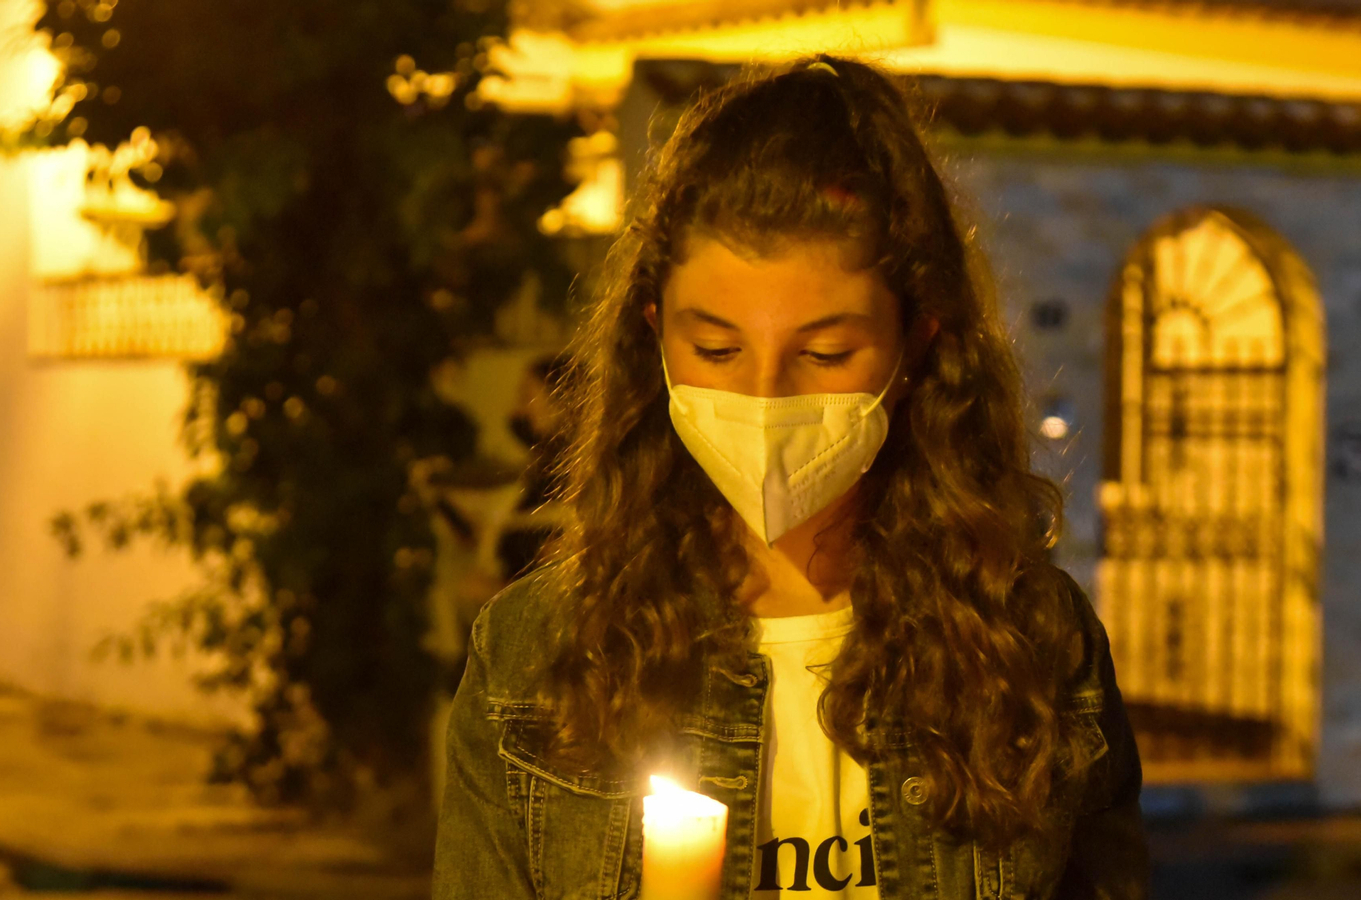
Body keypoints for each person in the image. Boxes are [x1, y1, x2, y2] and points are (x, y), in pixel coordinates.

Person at [431, 55, 1148, 899]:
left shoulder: (1030, 643)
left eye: (825, 353)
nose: (765, 397)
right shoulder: (535, 656)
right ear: (655, 338)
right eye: (716, 349)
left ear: (916, 346)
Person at [494, 352, 572, 582]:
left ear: (559, 399)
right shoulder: (546, 459)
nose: (519, 410)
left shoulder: (571, 463)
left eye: (527, 396)